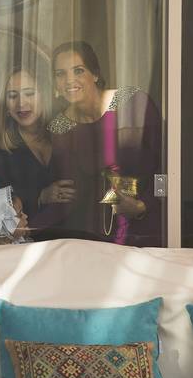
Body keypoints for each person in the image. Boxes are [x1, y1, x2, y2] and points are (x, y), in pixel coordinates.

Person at [42, 41, 163, 246]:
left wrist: (144, 206)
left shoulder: (133, 103)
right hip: (93, 239)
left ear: (95, 74)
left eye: (79, 70)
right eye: (60, 73)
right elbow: (71, 195)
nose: (69, 80)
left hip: (145, 229)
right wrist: (44, 196)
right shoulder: (59, 128)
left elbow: (167, 168)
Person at [0, 63, 74, 220]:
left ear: (44, 96)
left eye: (29, 93)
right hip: (31, 239)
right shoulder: (0, 150)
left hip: (79, 235)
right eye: (13, 96)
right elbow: (0, 210)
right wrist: (40, 196)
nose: (21, 103)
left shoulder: (66, 128)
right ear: (5, 105)